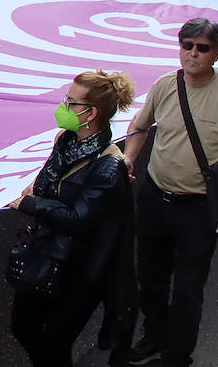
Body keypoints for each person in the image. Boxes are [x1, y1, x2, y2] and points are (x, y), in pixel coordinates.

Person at [122, 18, 218, 367]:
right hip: (155, 197)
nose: (193, 54)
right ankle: (154, 337)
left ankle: (178, 354)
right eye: (187, 46)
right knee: (149, 277)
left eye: (202, 48)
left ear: (217, 52)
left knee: (188, 288)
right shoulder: (166, 84)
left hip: (198, 207)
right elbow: (139, 126)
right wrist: (129, 161)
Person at [9, 70, 138, 367]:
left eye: (70, 102)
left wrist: (31, 203)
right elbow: (45, 183)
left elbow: (78, 219)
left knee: (56, 342)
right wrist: (38, 195)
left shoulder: (109, 166)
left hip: (79, 272)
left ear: (90, 113)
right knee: (23, 327)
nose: (63, 107)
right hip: (45, 254)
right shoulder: (64, 141)